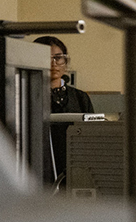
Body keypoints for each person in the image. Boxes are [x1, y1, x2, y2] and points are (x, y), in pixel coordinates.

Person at [34, 35, 94, 189]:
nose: (53, 63)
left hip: (74, 170)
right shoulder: (27, 95)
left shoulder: (80, 98)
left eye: (58, 58)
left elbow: (92, 137)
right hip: (37, 170)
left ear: (65, 62)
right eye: (45, 57)